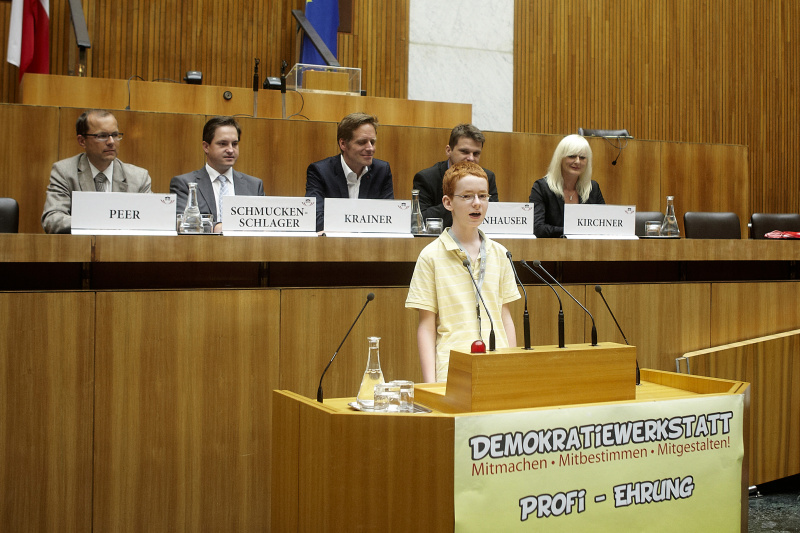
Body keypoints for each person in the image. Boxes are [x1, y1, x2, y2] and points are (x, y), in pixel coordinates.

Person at [406, 161, 519, 383]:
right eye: (467, 196)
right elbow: (427, 326)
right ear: (448, 202)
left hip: (498, 365)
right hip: (452, 368)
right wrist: (431, 384)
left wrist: (512, 367)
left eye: (483, 196)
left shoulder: (501, 253)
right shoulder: (431, 256)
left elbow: (505, 316)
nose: (476, 203)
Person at [41, 109, 151, 234]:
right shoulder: (64, 172)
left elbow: (151, 219)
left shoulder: (138, 177)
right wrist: (102, 223)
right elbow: (52, 219)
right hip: (81, 249)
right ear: (82, 141)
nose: (111, 142)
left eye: (115, 135)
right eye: (102, 136)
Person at [170, 116, 264, 231]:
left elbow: (261, 225)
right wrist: (216, 227)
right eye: (223, 144)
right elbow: (182, 224)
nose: (230, 150)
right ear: (206, 147)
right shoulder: (184, 184)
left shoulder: (254, 186)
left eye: (234, 144)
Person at [305, 112, 394, 231]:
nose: (370, 148)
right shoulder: (320, 171)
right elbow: (315, 218)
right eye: (362, 142)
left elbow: (389, 217)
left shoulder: (382, 170)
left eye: (372, 142)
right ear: (343, 144)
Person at [412, 123, 499, 228]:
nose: (471, 158)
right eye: (464, 152)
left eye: (476, 153)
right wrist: (458, 201)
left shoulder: (487, 177)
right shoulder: (426, 178)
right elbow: (420, 220)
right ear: (449, 150)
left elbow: (494, 217)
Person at [529, 134, 605, 238]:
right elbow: (538, 228)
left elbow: (604, 225)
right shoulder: (541, 187)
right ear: (560, 158)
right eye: (572, 156)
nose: (577, 161)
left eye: (582, 157)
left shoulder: (593, 188)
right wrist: (573, 231)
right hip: (551, 249)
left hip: (587, 249)